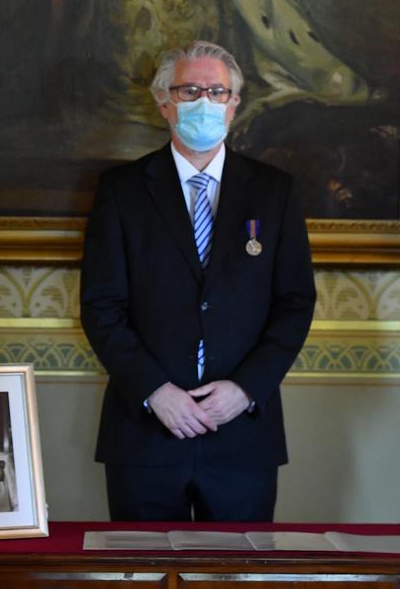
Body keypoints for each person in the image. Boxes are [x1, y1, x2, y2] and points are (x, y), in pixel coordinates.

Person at [80, 40, 317, 521]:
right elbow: (101, 306)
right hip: (145, 436)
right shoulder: (121, 191)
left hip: (243, 437)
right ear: (165, 102)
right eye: (190, 90)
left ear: (234, 106)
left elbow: (295, 302)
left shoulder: (274, 192)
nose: (204, 102)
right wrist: (155, 392)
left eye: (217, 91)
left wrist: (246, 389)